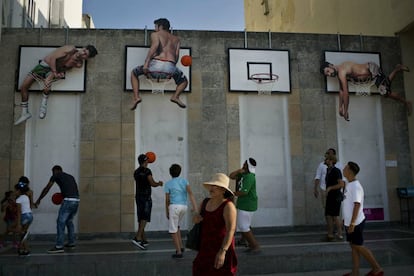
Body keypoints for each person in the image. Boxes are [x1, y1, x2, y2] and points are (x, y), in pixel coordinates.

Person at [15, 45, 98, 125]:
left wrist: (60, 73)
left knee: (48, 82)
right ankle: (25, 112)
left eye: (85, 54)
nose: (83, 54)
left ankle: (43, 106)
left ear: (86, 58)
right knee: (24, 87)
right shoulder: (70, 49)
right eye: (84, 51)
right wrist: (55, 72)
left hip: (53, 71)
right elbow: (52, 58)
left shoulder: (78, 64)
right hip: (46, 65)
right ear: (83, 48)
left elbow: (64, 68)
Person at [320, 61, 411, 121]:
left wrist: (346, 110)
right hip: (371, 76)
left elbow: (346, 93)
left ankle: (407, 102)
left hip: (371, 69)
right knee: (385, 86)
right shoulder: (339, 74)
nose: (329, 74)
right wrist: (340, 107)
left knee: (385, 92)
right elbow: (341, 90)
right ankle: (397, 68)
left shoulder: (342, 71)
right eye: (327, 74)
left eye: (328, 71)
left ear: (331, 65)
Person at [130, 18, 188, 110]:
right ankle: (175, 96)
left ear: (160, 26)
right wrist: (171, 70)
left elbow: (155, 46)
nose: (154, 29)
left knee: (134, 73)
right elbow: (176, 56)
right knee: (184, 81)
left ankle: (136, 97)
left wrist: (146, 63)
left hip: (155, 66)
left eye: (155, 26)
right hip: (170, 68)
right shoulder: (177, 39)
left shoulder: (155, 34)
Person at [342, 161, 383, 276]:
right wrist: (345, 219)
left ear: (350, 171)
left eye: (345, 167)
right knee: (354, 246)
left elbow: (357, 205)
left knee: (357, 245)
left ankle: (377, 268)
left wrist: (353, 223)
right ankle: (355, 272)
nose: (343, 169)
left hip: (355, 223)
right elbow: (348, 204)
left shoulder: (355, 186)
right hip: (349, 222)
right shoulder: (349, 184)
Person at [192, 173, 237, 276]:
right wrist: (196, 218)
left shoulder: (228, 206)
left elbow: (231, 230)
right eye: (212, 185)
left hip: (221, 247)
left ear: (223, 190)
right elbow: (196, 218)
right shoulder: (205, 202)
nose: (212, 188)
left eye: (216, 186)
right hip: (205, 248)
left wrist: (223, 251)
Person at [35, 165, 80, 254]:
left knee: (60, 222)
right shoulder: (70, 176)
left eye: (52, 172)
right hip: (76, 200)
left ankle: (59, 246)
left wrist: (39, 199)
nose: (52, 174)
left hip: (68, 201)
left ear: (55, 171)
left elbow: (47, 188)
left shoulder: (56, 175)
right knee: (69, 221)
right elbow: (72, 189)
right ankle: (71, 243)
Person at [164, 163, 197, 258]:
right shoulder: (184, 181)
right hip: (183, 207)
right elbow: (190, 193)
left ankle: (178, 252)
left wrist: (166, 211)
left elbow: (167, 200)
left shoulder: (168, 184)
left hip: (174, 207)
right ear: (180, 172)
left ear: (170, 173)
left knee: (173, 230)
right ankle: (181, 247)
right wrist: (195, 207)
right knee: (176, 226)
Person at [131, 154, 163, 250]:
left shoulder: (136, 172)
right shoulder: (147, 171)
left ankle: (143, 240)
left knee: (141, 217)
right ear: (145, 161)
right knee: (144, 217)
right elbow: (152, 183)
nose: (148, 162)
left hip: (138, 196)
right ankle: (137, 238)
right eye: (147, 160)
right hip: (145, 197)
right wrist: (159, 183)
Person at [229, 158, 260, 253]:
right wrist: (239, 170)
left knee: (243, 226)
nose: (243, 164)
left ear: (248, 166)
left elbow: (243, 192)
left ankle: (255, 246)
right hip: (244, 204)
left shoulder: (250, 176)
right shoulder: (243, 174)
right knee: (246, 224)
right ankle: (244, 240)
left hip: (248, 204)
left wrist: (232, 194)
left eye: (245, 163)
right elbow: (231, 176)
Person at [324, 155, 344, 241]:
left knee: (335, 216)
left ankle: (340, 233)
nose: (326, 160)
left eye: (327, 159)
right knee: (328, 215)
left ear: (332, 160)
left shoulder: (336, 171)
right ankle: (330, 234)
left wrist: (330, 188)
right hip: (330, 196)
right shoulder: (328, 170)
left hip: (336, 196)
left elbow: (341, 184)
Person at [14, 178, 33, 256]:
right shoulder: (25, 197)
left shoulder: (18, 200)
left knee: (19, 232)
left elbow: (19, 212)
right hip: (30, 216)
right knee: (23, 233)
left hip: (24, 216)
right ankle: (22, 249)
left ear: (19, 191)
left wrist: (18, 224)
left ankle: (25, 248)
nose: (14, 192)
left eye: (15, 190)